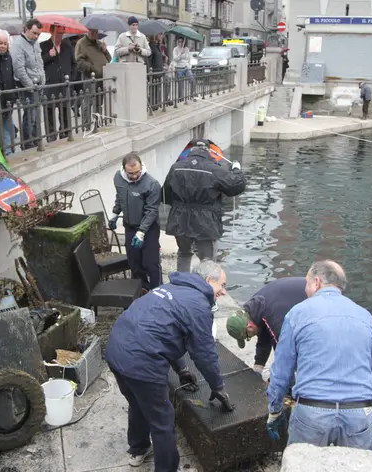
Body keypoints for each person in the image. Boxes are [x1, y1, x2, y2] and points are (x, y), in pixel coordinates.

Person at [105, 260, 234, 472]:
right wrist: (218, 386)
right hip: (141, 362)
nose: (223, 291)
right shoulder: (199, 305)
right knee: (163, 422)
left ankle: (138, 449)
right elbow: (204, 355)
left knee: (138, 403)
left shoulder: (167, 288)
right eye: (222, 284)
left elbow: (161, 332)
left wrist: (181, 369)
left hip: (115, 351)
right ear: (209, 281)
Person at [265, 261, 372, 449]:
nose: (306, 290)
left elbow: (282, 371)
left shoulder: (298, 313)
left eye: (307, 284)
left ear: (316, 282)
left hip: (312, 412)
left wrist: (275, 410)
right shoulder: (365, 316)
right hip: (359, 412)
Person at [163, 140, 246, 273]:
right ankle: (206, 288)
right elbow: (236, 185)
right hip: (206, 221)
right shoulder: (214, 169)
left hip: (180, 218)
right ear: (209, 151)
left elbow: (166, 194)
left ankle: (181, 285)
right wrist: (236, 169)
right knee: (208, 261)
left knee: (183, 253)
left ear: (191, 150)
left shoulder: (176, 167)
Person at [225, 277, 307, 376]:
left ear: (249, 327)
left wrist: (275, 383)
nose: (251, 337)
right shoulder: (256, 308)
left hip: (319, 297)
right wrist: (258, 367)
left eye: (248, 337)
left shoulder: (273, 315)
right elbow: (264, 334)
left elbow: (284, 354)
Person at [108, 152, 163, 291]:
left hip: (149, 228)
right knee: (134, 262)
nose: (134, 176)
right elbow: (120, 197)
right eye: (130, 173)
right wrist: (115, 213)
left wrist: (141, 232)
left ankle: (157, 289)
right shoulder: (118, 179)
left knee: (151, 263)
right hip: (130, 226)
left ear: (141, 167)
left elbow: (151, 211)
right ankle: (142, 288)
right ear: (124, 170)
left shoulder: (152, 184)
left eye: (137, 172)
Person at [12, 19, 44, 149]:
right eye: (34, 33)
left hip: (38, 83)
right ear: (26, 29)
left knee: (36, 115)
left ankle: (36, 139)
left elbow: (39, 62)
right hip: (26, 85)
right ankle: (27, 143)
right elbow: (19, 68)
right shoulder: (18, 44)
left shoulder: (36, 44)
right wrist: (30, 85)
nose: (36, 36)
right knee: (29, 115)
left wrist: (43, 79)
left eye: (38, 34)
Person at [40, 25, 76, 140]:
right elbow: (39, 63)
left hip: (65, 84)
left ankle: (64, 132)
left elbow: (74, 64)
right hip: (50, 84)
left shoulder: (67, 46)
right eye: (58, 33)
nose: (59, 36)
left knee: (65, 110)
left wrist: (71, 78)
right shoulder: (43, 45)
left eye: (62, 33)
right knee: (49, 111)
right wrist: (48, 56)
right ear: (51, 32)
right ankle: (51, 136)